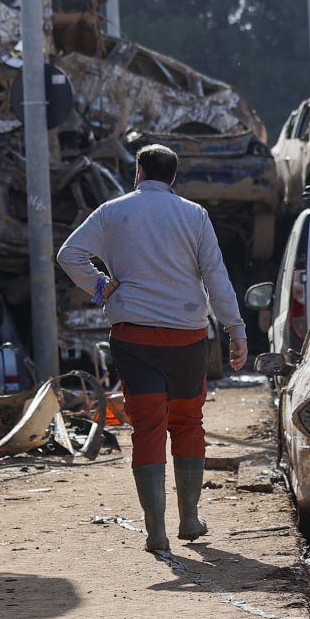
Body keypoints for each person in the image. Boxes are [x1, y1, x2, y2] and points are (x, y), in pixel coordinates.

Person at [58, 144, 247, 555]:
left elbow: (68, 254)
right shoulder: (195, 215)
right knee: (187, 422)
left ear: (139, 172)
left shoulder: (113, 211)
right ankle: (190, 519)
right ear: (173, 178)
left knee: (147, 427)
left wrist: (100, 285)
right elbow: (216, 275)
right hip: (188, 337)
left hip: (133, 337)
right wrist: (236, 329)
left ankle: (155, 532)